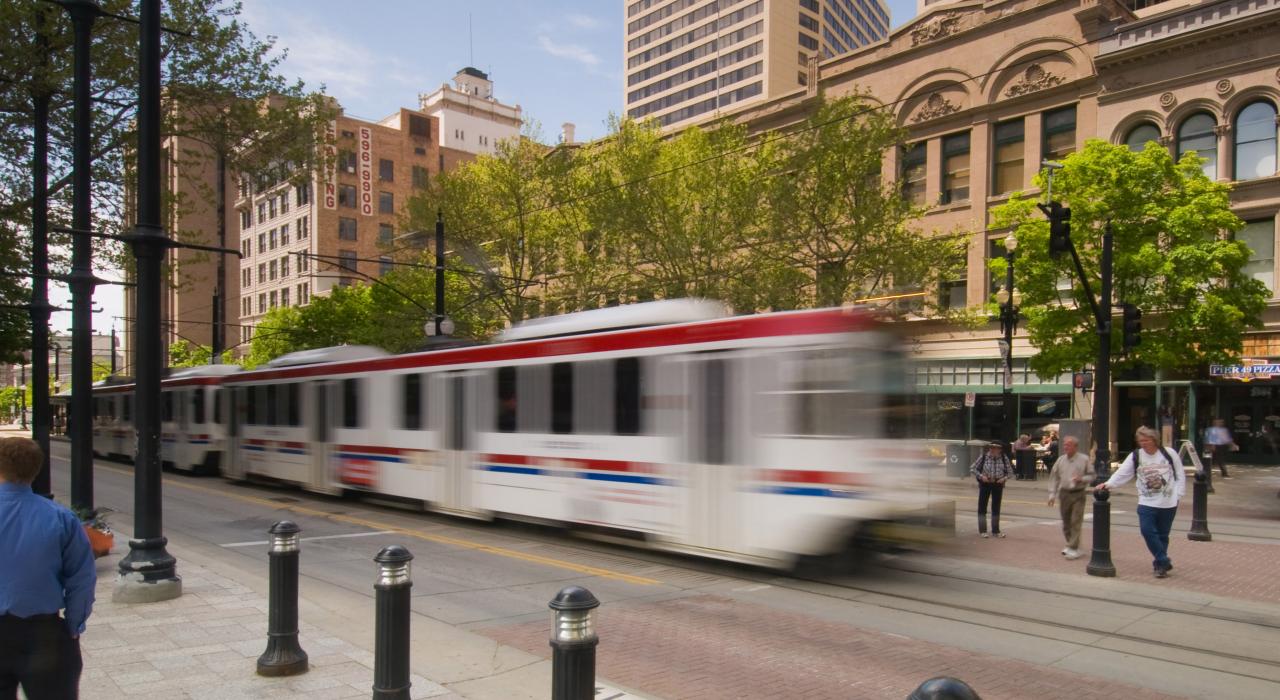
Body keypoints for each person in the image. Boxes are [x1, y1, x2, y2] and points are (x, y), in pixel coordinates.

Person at [0, 437, 96, 698]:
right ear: (36, 470)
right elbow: (81, 577)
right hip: (42, 634)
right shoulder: (60, 517)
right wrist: (74, 625)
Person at [1096, 426, 1185, 578]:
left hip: (1168, 502)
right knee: (1147, 530)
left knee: (1163, 535)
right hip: (1147, 502)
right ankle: (1164, 559)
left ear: (1154, 440)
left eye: (1146, 440)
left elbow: (1180, 474)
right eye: (1140, 440)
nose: (1143, 443)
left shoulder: (1169, 453)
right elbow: (1123, 473)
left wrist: (1178, 494)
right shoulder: (1136, 455)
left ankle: (1160, 566)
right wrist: (1108, 484)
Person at [1046, 436, 1094, 559]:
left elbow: (1092, 476)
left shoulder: (1084, 459)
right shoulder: (1061, 460)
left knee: (1075, 521)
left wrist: (1081, 479)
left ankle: (1073, 547)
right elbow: (1054, 477)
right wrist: (1052, 494)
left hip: (1078, 493)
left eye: (1068, 445)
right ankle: (1072, 545)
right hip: (1064, 493)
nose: (1065, 447)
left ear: (1075, 447)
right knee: (1066, 522)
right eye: (1065, 444)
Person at [970, 441, 1015, 538]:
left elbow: (1010, 472)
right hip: (985, 484)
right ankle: (983, 531)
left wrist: (1004, 478)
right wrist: (981, 476)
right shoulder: (984, 456)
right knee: (982, 508)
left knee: (996, 508)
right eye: (991, 447)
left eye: (995, 448)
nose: (992, 450)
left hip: (998, 484)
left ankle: (995, 531)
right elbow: (973, 468)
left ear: (999, 450)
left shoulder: (1003, 458)